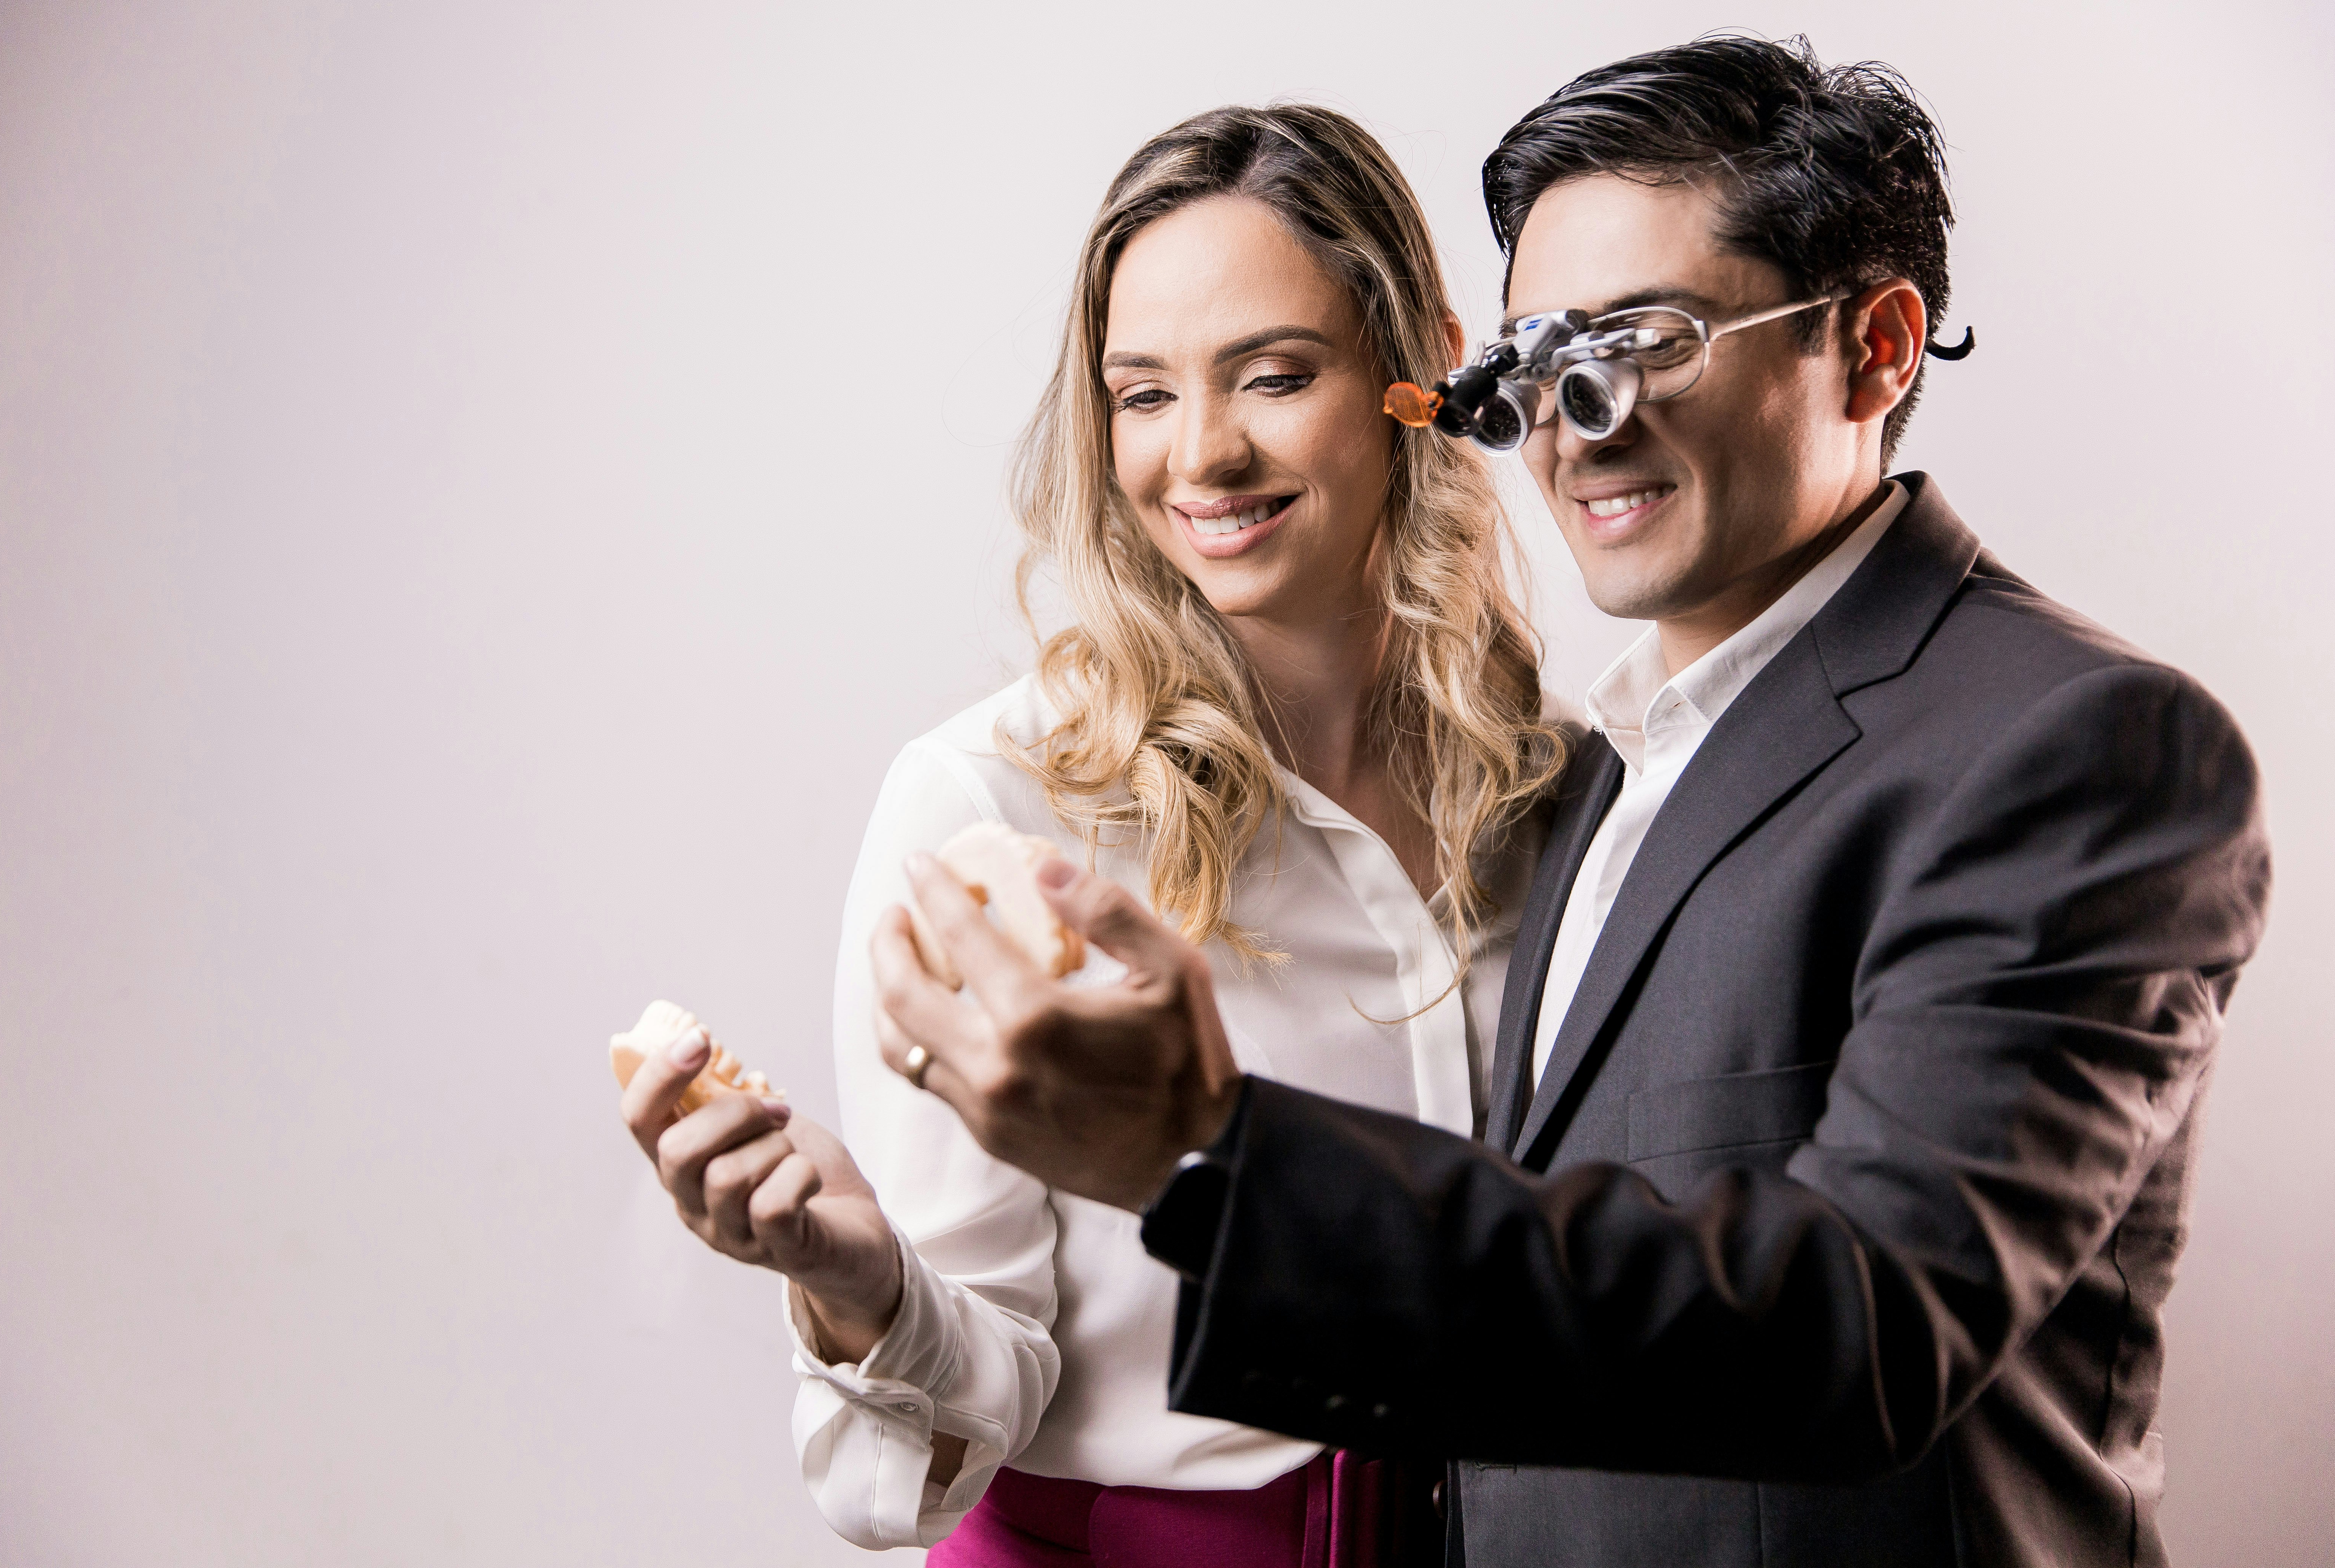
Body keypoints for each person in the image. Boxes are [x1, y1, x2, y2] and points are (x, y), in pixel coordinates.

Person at [869, 37, 2273, 1568]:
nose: (1576, 419)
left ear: (1875, 351)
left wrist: (1207, 1149)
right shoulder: (1587, 768)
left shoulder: (2077, 747)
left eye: (1651, 338)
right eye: (1542, 356)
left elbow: (1863, 1330)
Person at [619, 105, 1562, 1564]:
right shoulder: (991, 807)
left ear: (1420, 366)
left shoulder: (1564, 774)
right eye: (1142, 394)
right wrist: (856, 1278)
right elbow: (957, 1422)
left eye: (1276, 375)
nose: (1205, 454)